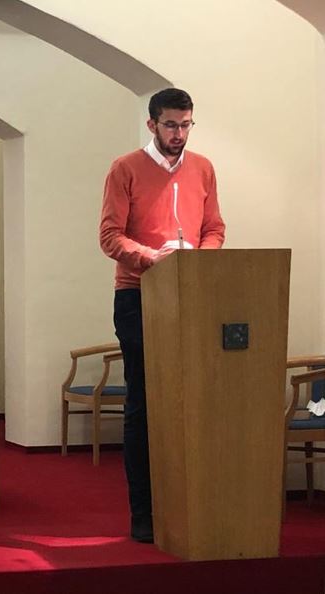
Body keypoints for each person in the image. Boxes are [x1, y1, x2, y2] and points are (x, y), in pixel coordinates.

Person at [98, 88, 225, 544]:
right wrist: (155, 259)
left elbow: (214, 228)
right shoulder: (126, 168)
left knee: (192, 398)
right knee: (145, 401)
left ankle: (191, 503)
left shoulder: (203, 168)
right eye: (171, 125)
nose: (179, 134)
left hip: (191, 294)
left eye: (186, 125)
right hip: (138, 295)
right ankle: (144, 512)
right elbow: (110, 236)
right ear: (152, 124)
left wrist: (196, 260)